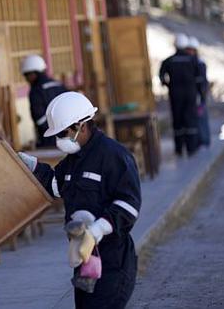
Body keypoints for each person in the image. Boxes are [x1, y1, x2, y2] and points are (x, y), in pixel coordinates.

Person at [19, 92, 141, 308]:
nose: (59, 140)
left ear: (81, 126)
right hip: (84, 259)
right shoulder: (74, 159)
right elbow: (57, 186)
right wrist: (32, 165)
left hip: (113, 260)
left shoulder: (114, 156)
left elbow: (129, 206)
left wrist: (96, 231)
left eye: (63, 133)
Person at [159, 33, 201, 156]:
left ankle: (179, 149)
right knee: (190, 120)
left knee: (178, 121)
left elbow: (161, 77)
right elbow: (199, 78)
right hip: (190, 94)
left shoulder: (169, 61)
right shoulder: (193, 60)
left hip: (175, 95)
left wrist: (169, 86)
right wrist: (200, 94)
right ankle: (191, 148)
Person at [21, 54, 67, 148]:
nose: (26, 79)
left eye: (26, 75)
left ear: (33, 74)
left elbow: (39, 119)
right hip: (69, 135)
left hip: (49, 141)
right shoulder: (58, 84)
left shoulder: (36, 91)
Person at [186, 36, 211, 147]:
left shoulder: (199, 63)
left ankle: (204, 140)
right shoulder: (189, 63)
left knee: (201, 118)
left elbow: (202, 81)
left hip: (198, 96)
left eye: (191, 50)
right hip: (191, 95)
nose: (189, 52)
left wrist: (201, 96)